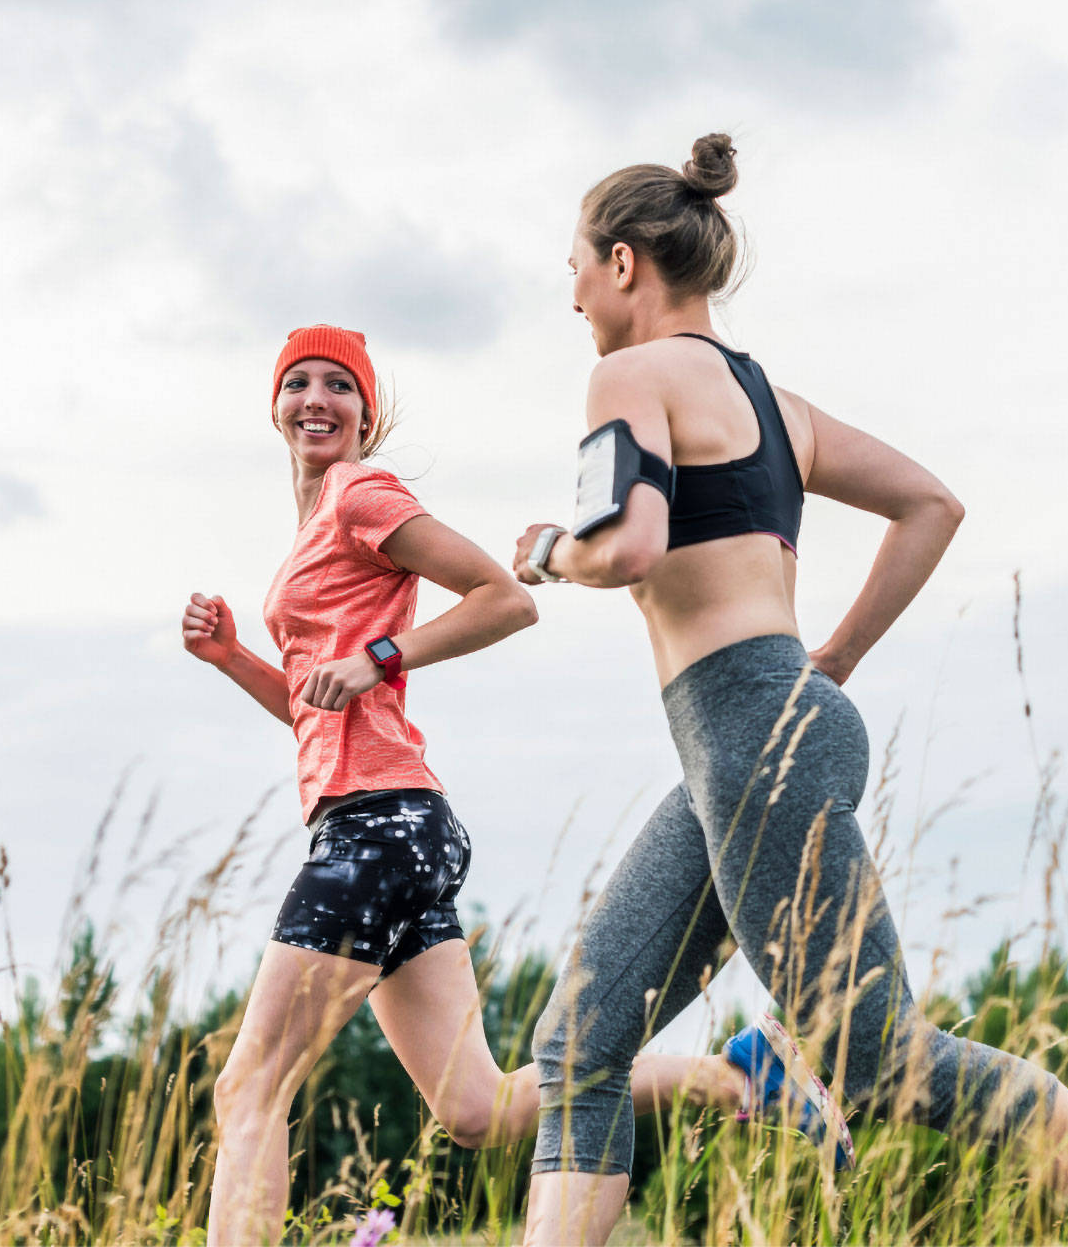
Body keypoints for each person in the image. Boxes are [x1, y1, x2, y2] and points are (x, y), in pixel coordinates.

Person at [510, 137, 1068, 1247]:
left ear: (624, 263)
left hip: (750, 736)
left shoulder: (627, 374)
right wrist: (833, 660)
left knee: (881, 1060)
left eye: (576, 264)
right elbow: (931, 503)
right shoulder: (776, 404)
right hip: (746, 739)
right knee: (580, 1042)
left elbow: (629, 544)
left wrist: (548, 549)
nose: (572, 291)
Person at [184, 325, 849, 1246]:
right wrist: (231, 659)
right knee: (478, 1108)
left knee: (249, 1082)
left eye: (340, 386)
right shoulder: (311, 532)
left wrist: (383, 656)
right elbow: (312, 708)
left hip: (380, 829)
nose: (316, 400)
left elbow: (506, 596)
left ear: (365, 414)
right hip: (386, 824)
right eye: (298, 382)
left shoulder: (361, 495)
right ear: (274, 406)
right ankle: (741, 1079)